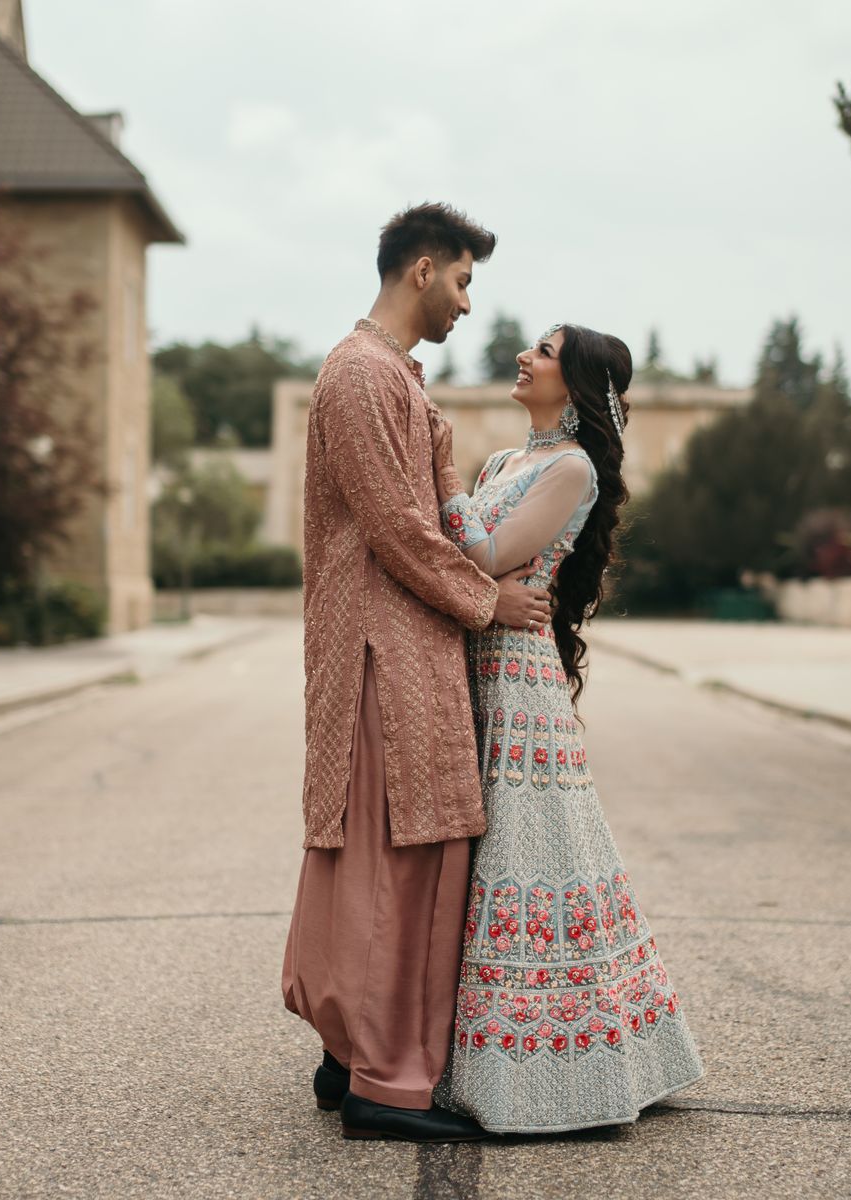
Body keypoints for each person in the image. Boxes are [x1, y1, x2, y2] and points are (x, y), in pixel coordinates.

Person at [281, 203, 554, 1143]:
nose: (469, 306)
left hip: (409, 646)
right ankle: (380, 1085)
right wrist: (491, 605)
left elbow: (431, 512)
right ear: (421, 270)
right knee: (395, 854)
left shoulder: (393, 376)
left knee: (402, 846)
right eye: (465, 282)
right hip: (376, 651)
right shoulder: (359, 376)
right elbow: (398, 530)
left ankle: (345, 1052)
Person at [429, 323, 704, 1132]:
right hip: (469, 671)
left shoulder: (572, 466)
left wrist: (438, 471)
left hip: (519, 684)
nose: (525, 356)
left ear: (579, 383)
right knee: (470, 874)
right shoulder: (499, 464)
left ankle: (559, 1071)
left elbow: (485, 555)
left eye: (544, 352)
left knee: (531, 861)